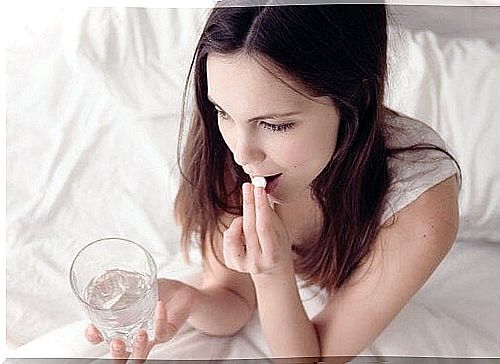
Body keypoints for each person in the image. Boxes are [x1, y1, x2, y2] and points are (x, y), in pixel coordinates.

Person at [85, 1, 462, 363]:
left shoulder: (422, 208)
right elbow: (233, 292)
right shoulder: (230, 141)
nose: (242, 154)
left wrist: (272, 274)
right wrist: (190, 299)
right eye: (223, 112)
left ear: (354, 101)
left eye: (275, 124)